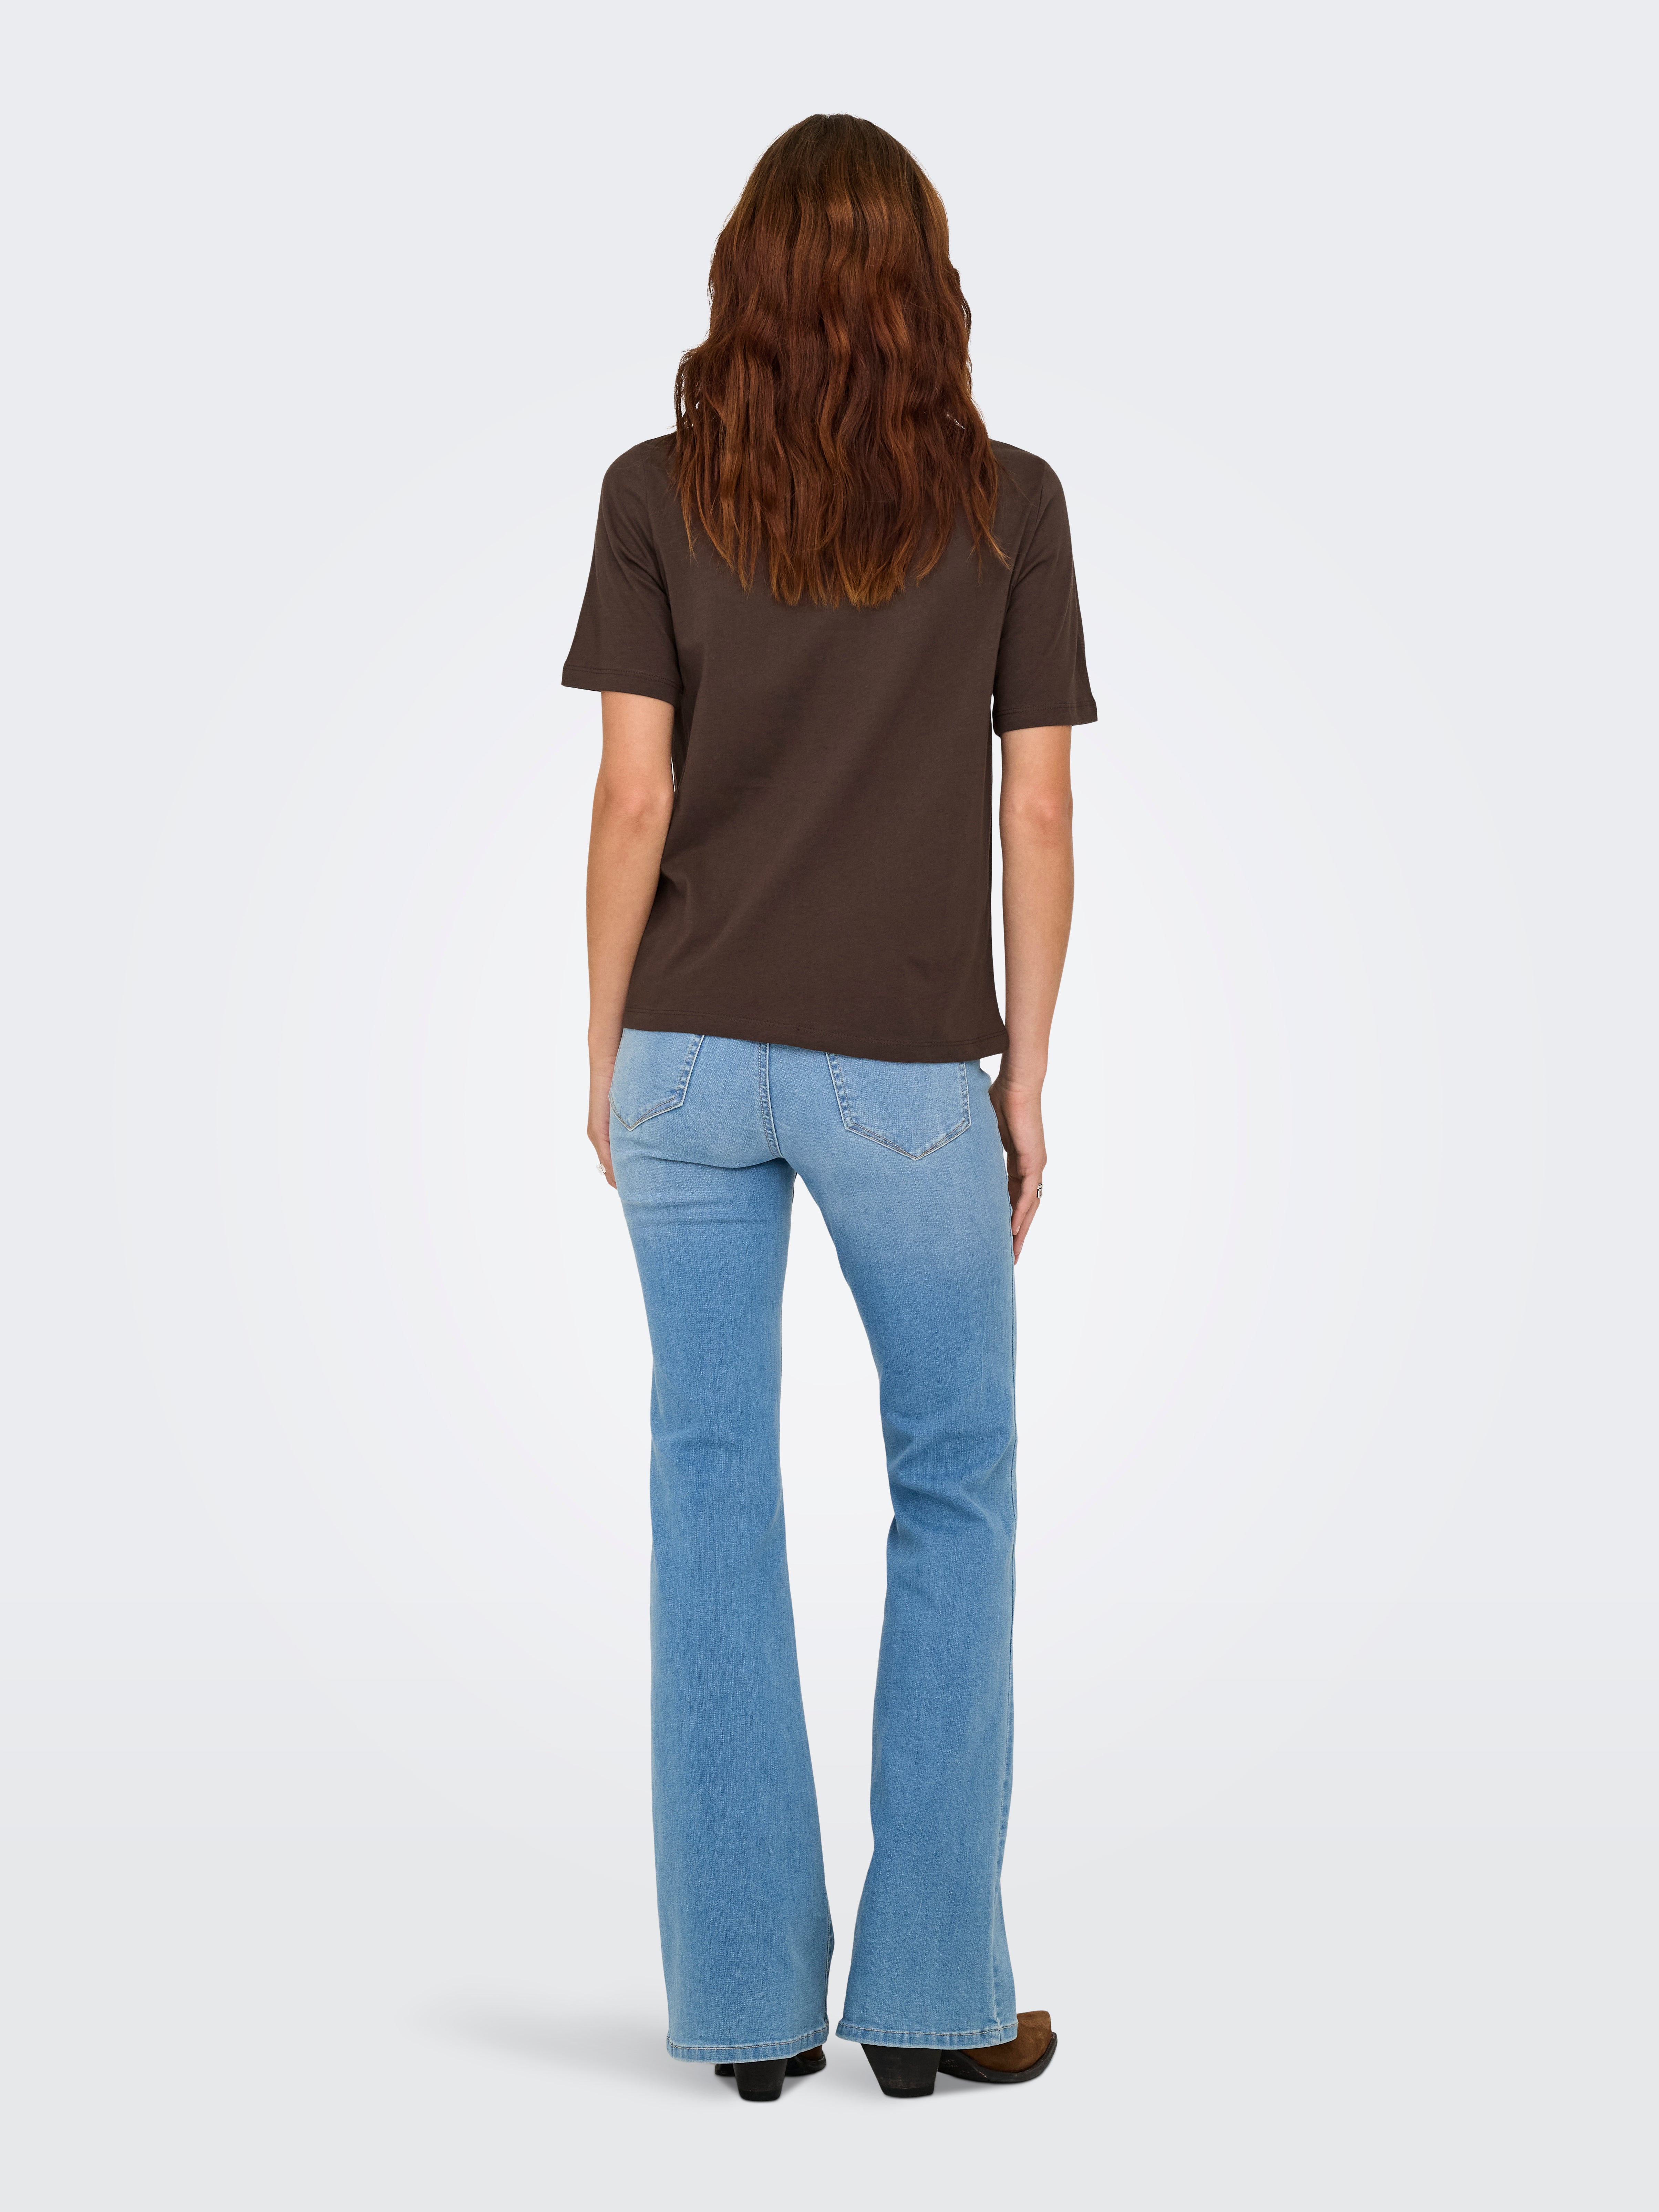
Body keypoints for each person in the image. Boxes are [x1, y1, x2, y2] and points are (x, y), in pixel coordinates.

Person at [564, 113, 1093, 2102]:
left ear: (746, 278)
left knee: (707, 1486)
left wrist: (603, 1044)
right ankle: (934, 1996)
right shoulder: (1010, 506)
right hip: (904, 1068)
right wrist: (1027, 1067)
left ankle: (748, 2015)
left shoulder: (654, 492)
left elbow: (633, 795)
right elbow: (1037, 809)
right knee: (955, 1481)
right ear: (926, 289)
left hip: (691, 1056)